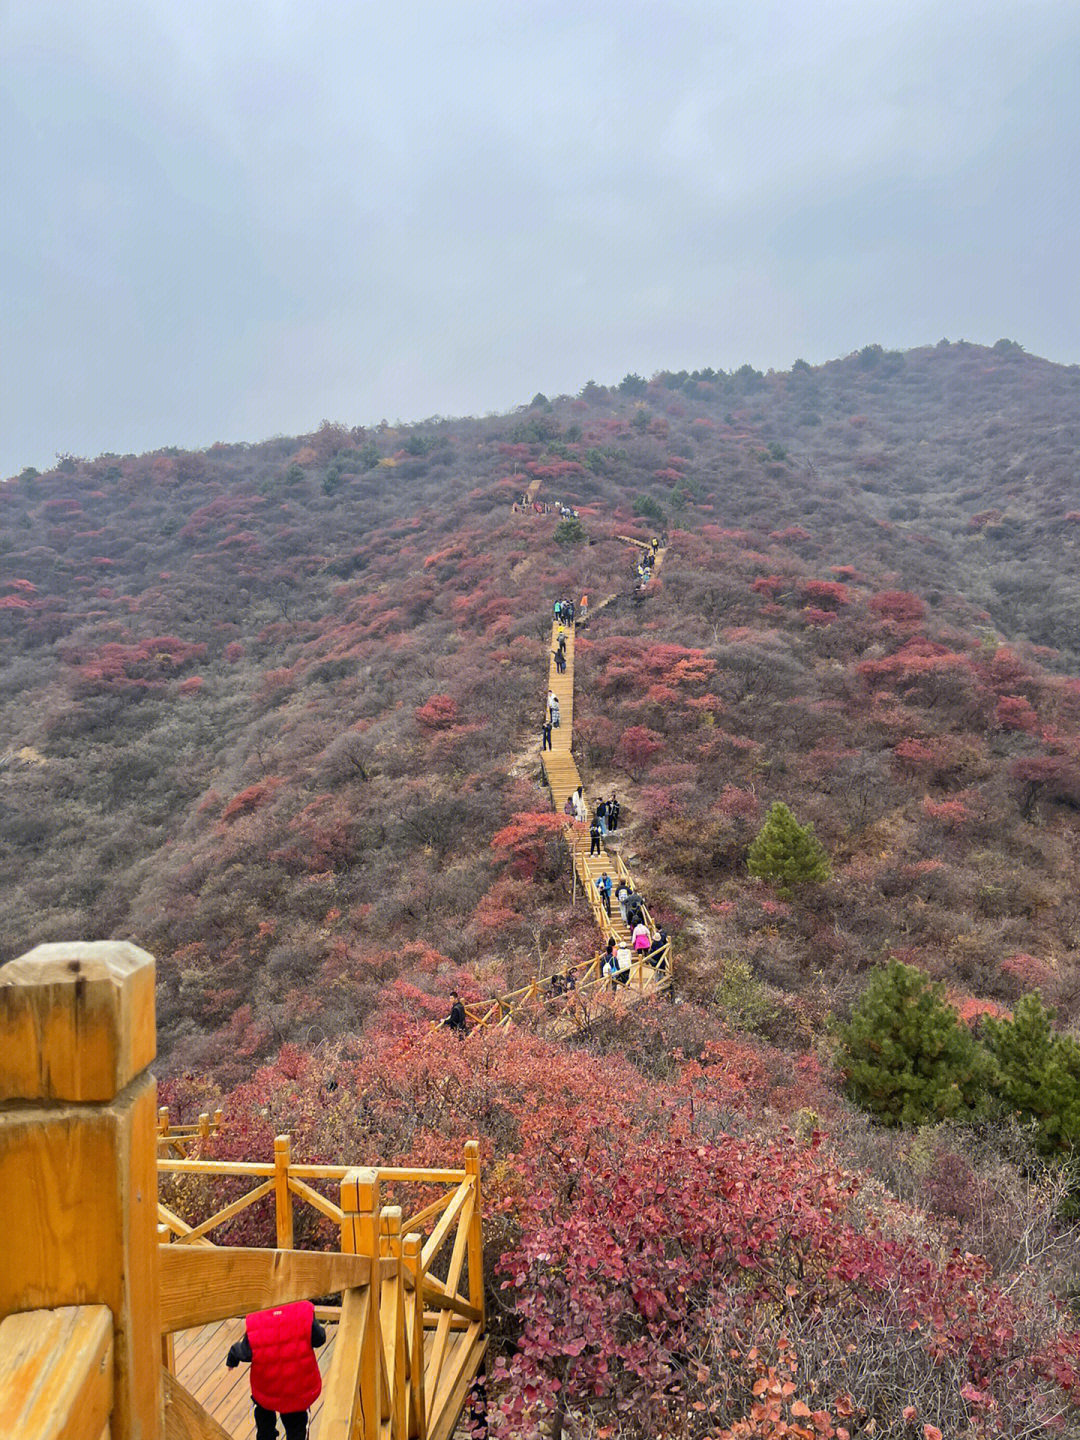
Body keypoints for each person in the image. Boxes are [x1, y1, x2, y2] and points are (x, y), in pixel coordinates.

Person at [226, 1300, 326, 1440]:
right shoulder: (303, 1311)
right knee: (297, 1429)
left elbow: (245, 1352)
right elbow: (319, 1339)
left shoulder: (257, 1319)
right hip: (296, 1391)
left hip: (267, 1390)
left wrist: (232, 1358)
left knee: (264, 1420)